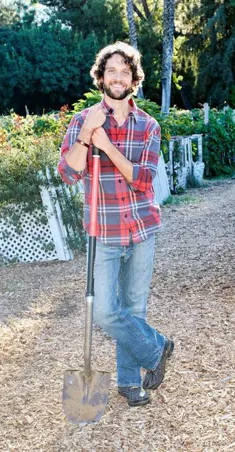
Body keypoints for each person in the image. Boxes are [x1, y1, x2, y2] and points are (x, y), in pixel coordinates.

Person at [57, 42, 173, 407]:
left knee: (135, 308)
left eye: (125, 71)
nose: (118, 77)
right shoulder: (84, 120)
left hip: (141, 229)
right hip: (103, 232)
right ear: (101, 78)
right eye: (112, 71)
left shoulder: (149, 126)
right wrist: (84, 135)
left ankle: (129, 384)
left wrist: (105, 144)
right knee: (106, 311)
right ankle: (156, 348)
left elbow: (143, 179)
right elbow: (68, 173)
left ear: (133, 78)